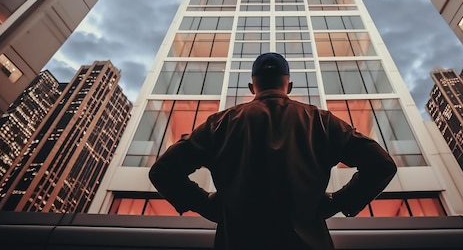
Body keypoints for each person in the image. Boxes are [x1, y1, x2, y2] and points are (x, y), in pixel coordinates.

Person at [148, 52, 397, 250]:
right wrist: (337, 203)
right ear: (288, 85)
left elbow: (163, 171)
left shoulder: (220, 123)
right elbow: (381, 165)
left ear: (251, 86)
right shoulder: (321, 121)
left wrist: (206, 205)